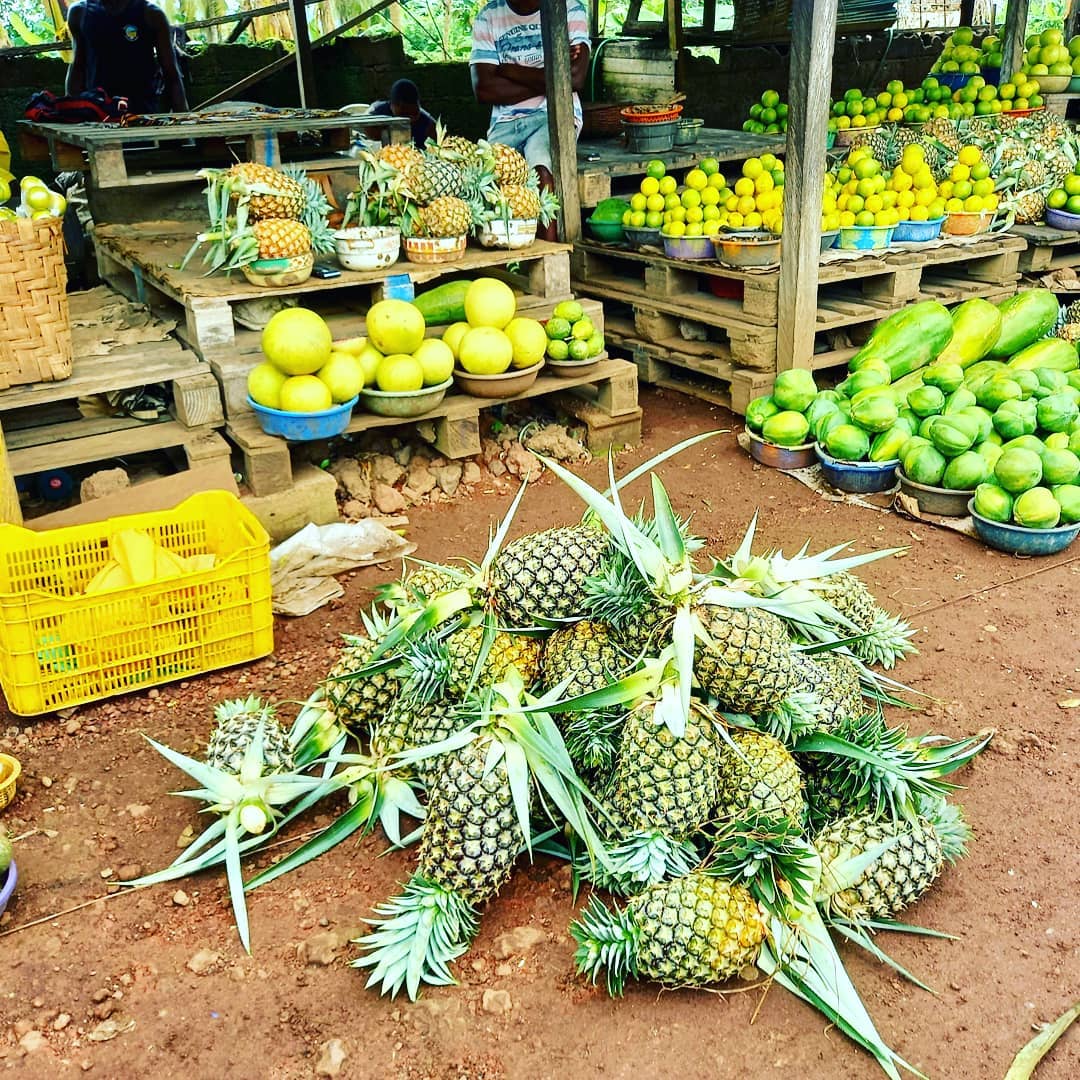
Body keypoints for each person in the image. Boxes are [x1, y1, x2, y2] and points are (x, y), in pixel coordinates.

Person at [470, 0, 591, 238]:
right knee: (483, 183)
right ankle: (502, 263)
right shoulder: (488, 16)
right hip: (505, 123)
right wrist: (553, 71)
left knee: (541, 172)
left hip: (554, 114)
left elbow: (575, 80)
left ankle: (551, 260)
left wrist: (510, 70)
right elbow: (484, 89)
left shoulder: (570, 9)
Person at [66, 0, 188, 115]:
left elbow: (171, 75)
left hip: (141, 115)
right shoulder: (80, 13)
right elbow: (77, 68)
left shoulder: (152, 14)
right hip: (98, 115)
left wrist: (184, 128)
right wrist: (71, 113)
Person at [368, 79, 437, 150]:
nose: (408, 120)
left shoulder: (428, 123)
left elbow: (441, 143)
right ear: (393, 105)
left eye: (413, 113)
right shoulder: (377, 112)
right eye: (404, 114)